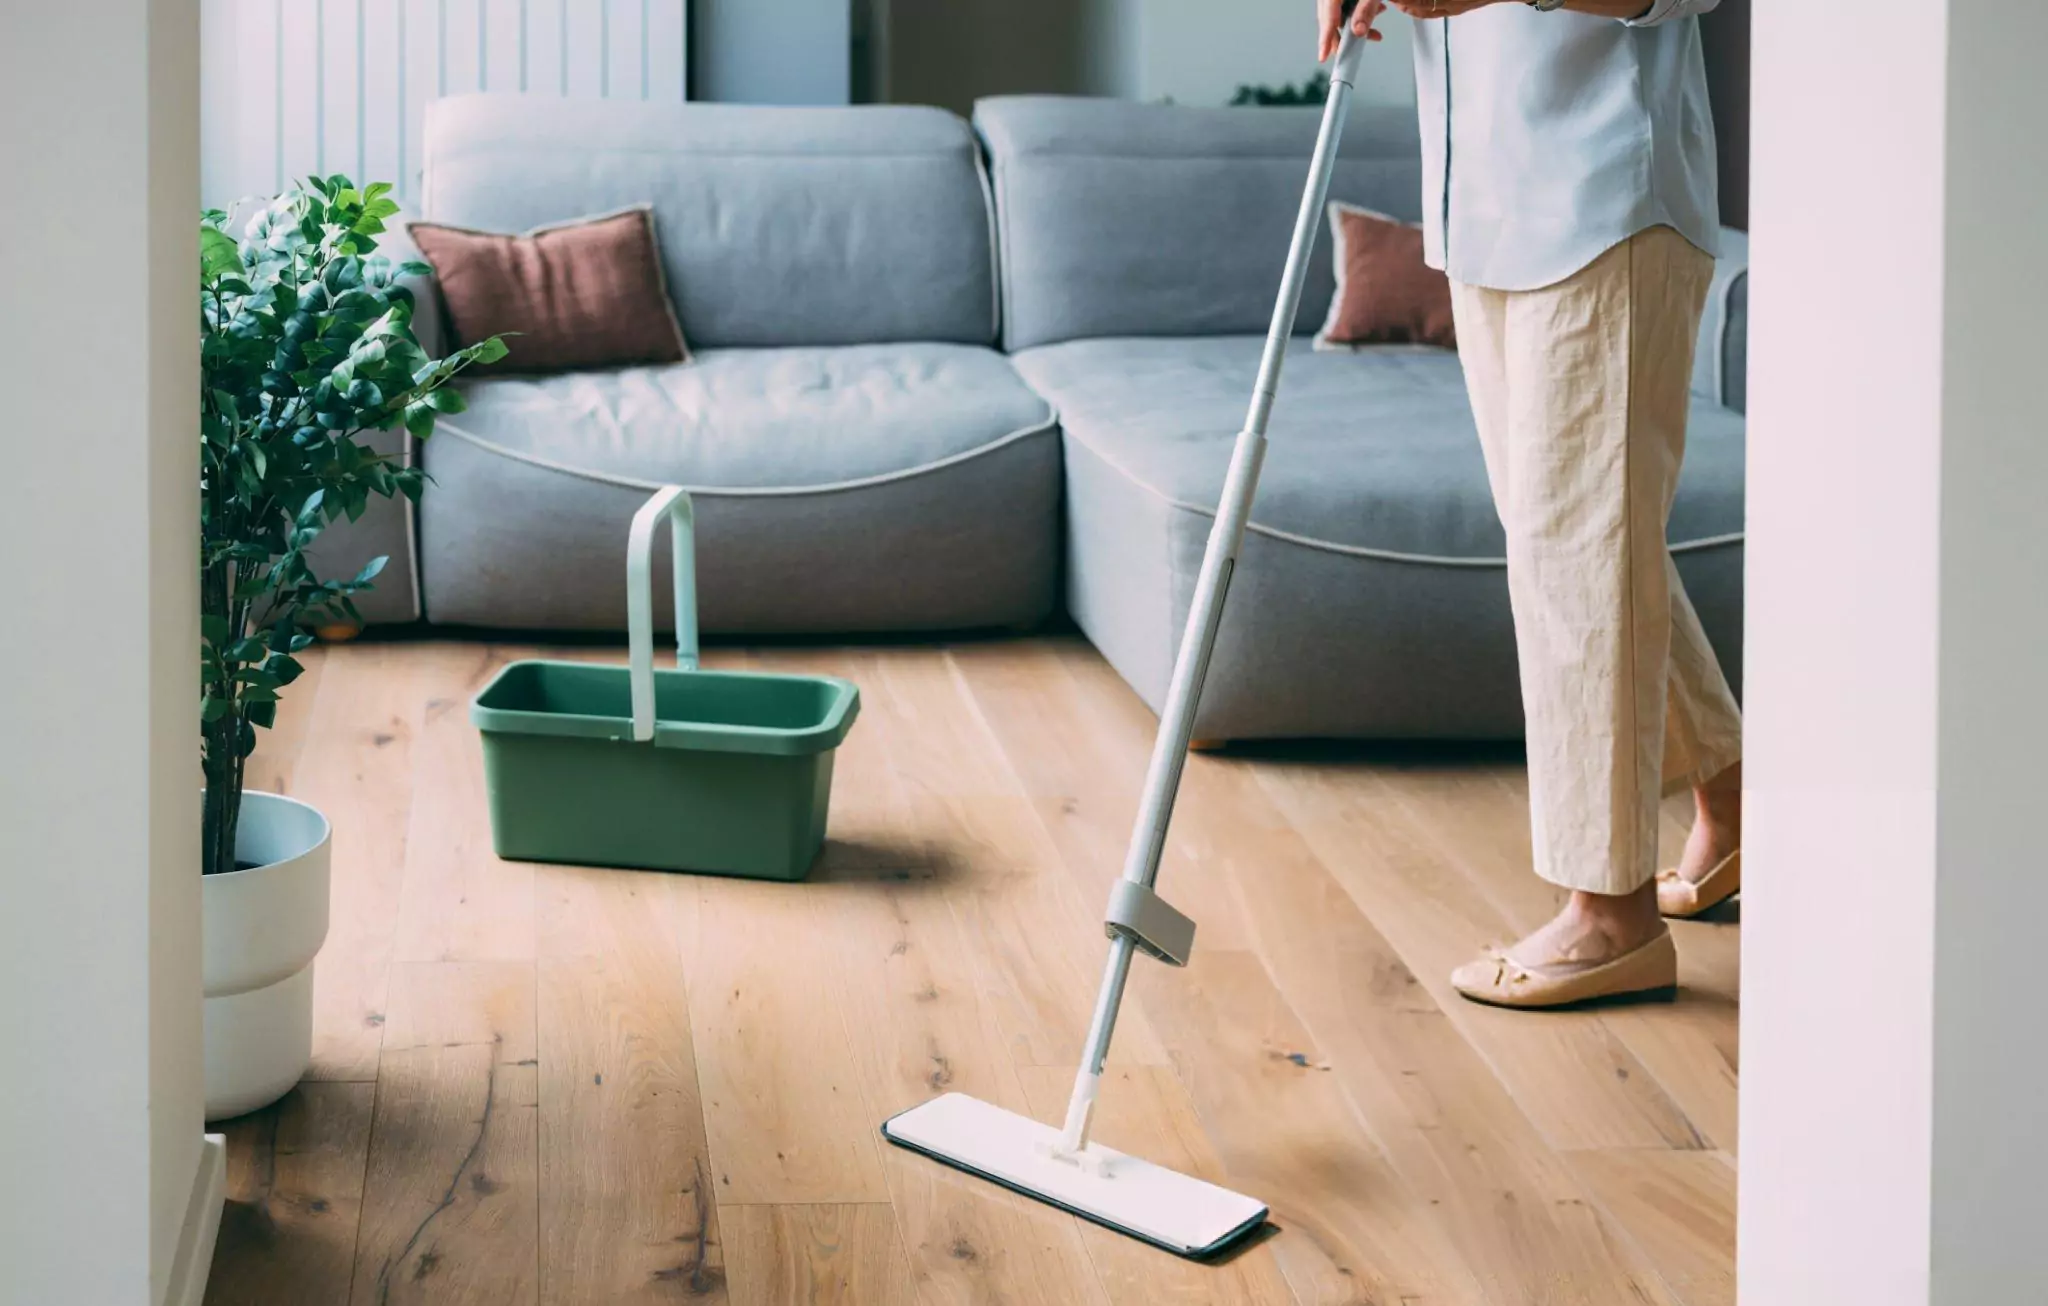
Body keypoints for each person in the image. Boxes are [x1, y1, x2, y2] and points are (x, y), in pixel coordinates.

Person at [1317, 0, 1742, 1008]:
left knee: (1577, 553)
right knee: (1576, 546)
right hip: (1483, 209)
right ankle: (1730, 793)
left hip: (1605, 198)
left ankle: (1610, 915)